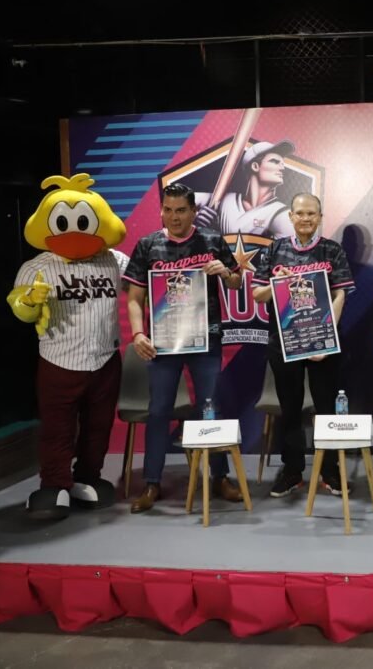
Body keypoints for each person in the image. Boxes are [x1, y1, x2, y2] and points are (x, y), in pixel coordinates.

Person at [7, 173, 128, 520]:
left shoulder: (115, 261)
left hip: (105, 358)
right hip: (59, 359)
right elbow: (20, 308)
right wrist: (29, 302)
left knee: (98, 426)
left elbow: (141, 283)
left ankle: (88, 476)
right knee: (57, 427)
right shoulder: (37, 267)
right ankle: (54, 484)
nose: (75, 233)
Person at [123, 182, 245, 513]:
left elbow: (237, 282)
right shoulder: (148, 244)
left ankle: (220, 477)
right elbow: (134, 297)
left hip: (206, 338)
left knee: (210, 407)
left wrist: (226, 273)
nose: (174, 217)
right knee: (159, 410)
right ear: (161, 210)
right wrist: (138, 334)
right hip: (163, 341)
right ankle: (152, 482)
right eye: (168, 210)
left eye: (181, 210)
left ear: (193, 211)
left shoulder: (211, 240)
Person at [252, 193, 356, 498]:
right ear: (291, 217)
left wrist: (325, 336)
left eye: (312, 213)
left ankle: (330, 470)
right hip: (284, 341)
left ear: (320, 217)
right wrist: (279, 284)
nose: (306, 218)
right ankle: (292, 470)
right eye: (300, 213)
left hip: (323, 341)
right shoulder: (275, 249)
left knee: (326, 407)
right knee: (290, 408)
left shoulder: (331, 250)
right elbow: (257, 295)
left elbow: (340, 295)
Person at [195, 140, 296, 239]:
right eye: (275, 162)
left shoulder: (281, 214)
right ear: (255, 166)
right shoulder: (224, 199)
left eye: (282, 164)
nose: (282, 168)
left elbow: (291, 246)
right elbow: (186, 199)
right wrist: (194, 220)